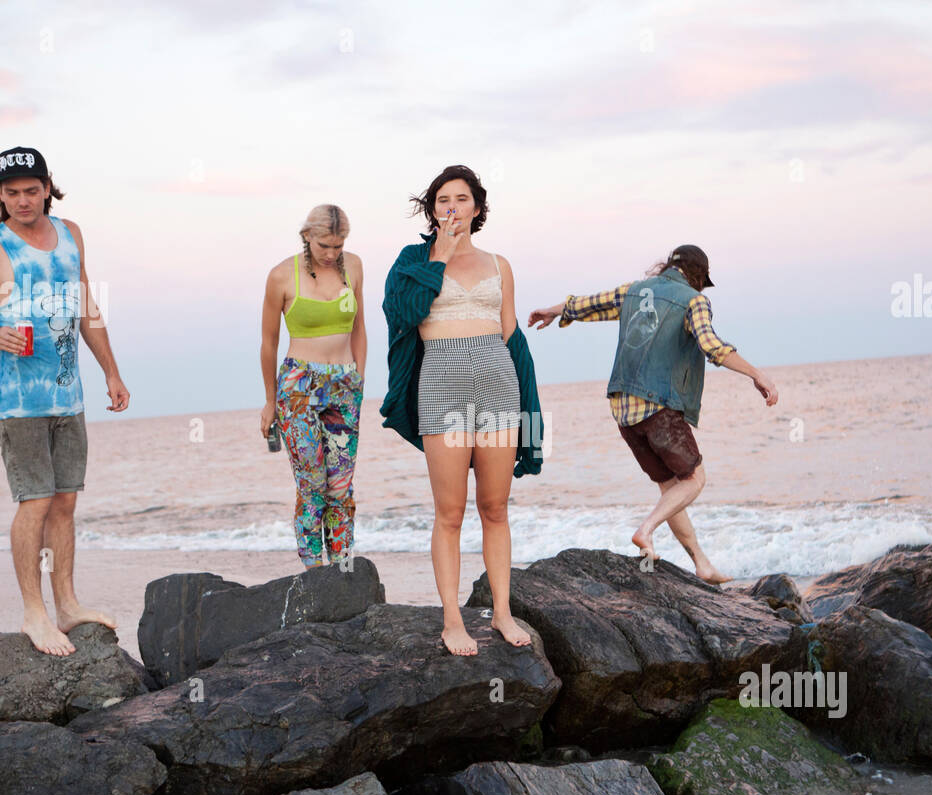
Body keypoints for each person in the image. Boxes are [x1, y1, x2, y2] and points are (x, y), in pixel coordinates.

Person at [0, 146, 130, 656]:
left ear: (48, 188)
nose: (23, 200)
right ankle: (34, 612)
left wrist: (111, 373)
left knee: (65, 502)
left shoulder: (71, 234)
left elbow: (87, 308)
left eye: (32, 190)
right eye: (12, 193)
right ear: (0, 194)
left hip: (69, 396)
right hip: (19, 403)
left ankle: (67, 605)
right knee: (35, 502)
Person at [529, 244, 778, 584]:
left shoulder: (634, 291)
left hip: (622, 409)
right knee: (694, 480)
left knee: (670, 488)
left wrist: (552, 311)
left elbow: (586, 304)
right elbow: (711, 346)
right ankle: (646, 530)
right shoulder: (693, 300)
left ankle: (701, 564)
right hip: (657, 405)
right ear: (698, 276)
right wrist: (756, 374)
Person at [380, 164, 544, 656]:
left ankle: (502, 613)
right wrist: (441, 256)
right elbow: (404, 314)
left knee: (495, 507)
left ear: (477, 208)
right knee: (449, 512)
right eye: (442, 200)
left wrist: (531, 412)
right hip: (441, 386)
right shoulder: (412, 260)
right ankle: (452, 620)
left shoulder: (499, 264)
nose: (451, 207)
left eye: (461, 199)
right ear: (432, 211)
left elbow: (512, 336)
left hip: (497, 383)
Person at [260, 205, 367, 568]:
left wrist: (359, 378)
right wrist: (270, 402)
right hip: (298, 387)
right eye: (324, 245)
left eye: (338, 245)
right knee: (312, 484)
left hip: (345, 384)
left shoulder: (354, 267)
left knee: (341, 486)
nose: (331, 254)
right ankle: (313, 570)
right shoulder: (281, 276)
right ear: (307, 236)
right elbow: (268, 344)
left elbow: (359, 328)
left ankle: (343, 567)